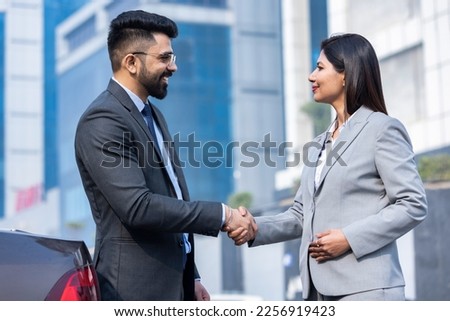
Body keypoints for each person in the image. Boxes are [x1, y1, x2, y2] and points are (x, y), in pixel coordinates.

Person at [75, 10, 256, 301]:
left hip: (177, 288)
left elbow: (171, 201)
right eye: (164, 58)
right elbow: (138, 207)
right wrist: (222, 215)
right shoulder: (103, 119)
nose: (173, 67)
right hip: (133, 293)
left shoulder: (153, 115)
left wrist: (191, 275)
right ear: (131, 62)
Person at [230, 33, 428, 300]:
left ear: (346, 74)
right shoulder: (318, 144)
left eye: (320, 68)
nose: (311, 76)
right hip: (317, 293)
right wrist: (255, 227)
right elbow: (302, 214)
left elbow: (413, 203)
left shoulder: (382, 129)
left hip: (367, 292)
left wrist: (349, 238)